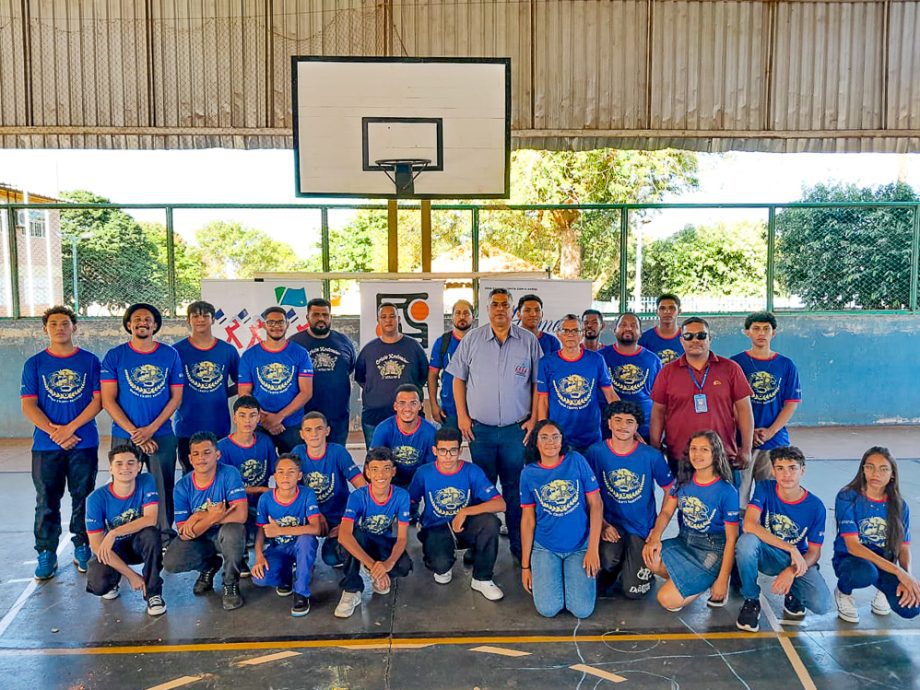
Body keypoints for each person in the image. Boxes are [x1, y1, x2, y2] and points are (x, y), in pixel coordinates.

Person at [447, 287, 542, 562]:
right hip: (481, 431)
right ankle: (480, 546)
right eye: (495, 304)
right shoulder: (472, 340)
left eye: (505, 304)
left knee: (514, 489)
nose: (500, 309)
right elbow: (457, 379)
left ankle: (518, 546)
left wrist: (534, 419)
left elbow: (538, 384)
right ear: (487, 310)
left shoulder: (528, 341)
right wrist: (462, 417)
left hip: (516, 431)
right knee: (483, 489)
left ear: (512, 309)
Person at [21, 305, 102, 579]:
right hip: (46, 446)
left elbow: (98, 401)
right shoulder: (34, 364)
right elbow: (29, 405)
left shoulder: (90, 361)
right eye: (53, 324)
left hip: (83, 441)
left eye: (65, 323)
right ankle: (46, 552)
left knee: (83, 497)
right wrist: (55, 432)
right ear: (46, 329)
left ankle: (82, 544)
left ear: (74, 327)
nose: (60, 328)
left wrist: (71, 428)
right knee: (46, 499)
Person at [101, 303, 184, 543]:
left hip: (161, 433)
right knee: (125, 484)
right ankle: (125, 534)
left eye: (148, 319)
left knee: (162, 485)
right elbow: (108, 399)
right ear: (128, 325)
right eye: (137, 319)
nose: (142, 323)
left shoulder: (170, 354)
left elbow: (175, 397)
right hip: (124, 434)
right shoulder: (115, 356)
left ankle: (166, 535)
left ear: (155, 325)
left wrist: (151, 430)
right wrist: (135, 433)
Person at [735, 446, 831, 632]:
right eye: (780, 468)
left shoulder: (816, 506)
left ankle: (794, 592)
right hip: (768, 552)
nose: (786, 474)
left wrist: (792, 570)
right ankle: (751, 600)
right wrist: (791, 548)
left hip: (793, 561)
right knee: (746, 542)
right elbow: (749, 524)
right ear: (773, 471)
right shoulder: (764, 489)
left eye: (792, 468)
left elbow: (814, 552)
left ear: (802, 470)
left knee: (821, 604)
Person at [585, 401, 673, 600]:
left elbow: (671, 492)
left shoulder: (651, 455)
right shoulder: (595, 452)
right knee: (608, 560)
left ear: (636, 427)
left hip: (641, 529)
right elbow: (586, 495)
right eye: (618, 420)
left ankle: (634, 567)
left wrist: (657, 530)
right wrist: (603, 525)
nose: (623, 426)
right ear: (608, 423)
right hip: (610, 528)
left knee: (633, 591)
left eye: (629, 422)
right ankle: (612, 571)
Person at [643, 431, 739, 613]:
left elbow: (732, 539)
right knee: (651, 557)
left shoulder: (727, 491)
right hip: (686, 540)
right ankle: (693, 581)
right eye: (694, 449)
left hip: (712, 549)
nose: (697, 454)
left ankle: (710, 580)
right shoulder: (683, 481)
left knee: (666, 599)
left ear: (715, 454)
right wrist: (655, 536)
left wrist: (722, 579)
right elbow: (666, 512)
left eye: (704, 449)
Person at [408, 427, 506, 600]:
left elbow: (500, 503)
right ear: (434, 450)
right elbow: (411, 501)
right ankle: (442, 560)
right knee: (441, 570)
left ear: (460, 450)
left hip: (465, 527)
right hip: (436, 527)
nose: (448, 456)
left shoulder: (472, 471)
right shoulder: (423, 473)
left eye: (453, 451)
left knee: (491, 522)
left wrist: (465, 511)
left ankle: (482, 578)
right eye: (443, 451)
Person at [649, 317, 754, 477]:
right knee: (685, 502)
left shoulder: (731, 368)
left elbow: (744, 410)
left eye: (701, 335)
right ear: (682, 341)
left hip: (722, 455)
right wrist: (655, 447)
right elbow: (658, 412)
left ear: (710, 338)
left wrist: (746, 449)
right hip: (681, 457)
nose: (695, 340)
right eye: (689, 336)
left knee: (724, 501)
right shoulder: (667, 372)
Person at [520, 420, 603, 619]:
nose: (551, 442)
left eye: (555, 436)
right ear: (536, 443)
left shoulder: (576, 460)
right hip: (546, 547)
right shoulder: (529, 473)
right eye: (544, 437)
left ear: (562, 440)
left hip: (580, 546)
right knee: (547, 609)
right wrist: (525, 566)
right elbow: (528, 520)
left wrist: (592, 549)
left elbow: (596, 505)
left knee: (582, 610)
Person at [833, 447, 920, 622]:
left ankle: (883, 590)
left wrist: (907, 575)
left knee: (911, 607)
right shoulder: (847, 497)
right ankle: (843, 592)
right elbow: (853, 546)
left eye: (883, 469)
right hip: (852, 559)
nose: (876, 473)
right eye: (870, 467)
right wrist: (898, 572)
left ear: (892, 474)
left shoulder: (900, 505)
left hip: (885, 561)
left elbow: (903, 547)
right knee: (865, 573)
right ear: (863, 469)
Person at [163, 431, 248, 611]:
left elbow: (240, 515)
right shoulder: (182, 487)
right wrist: (211, 517)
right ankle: (209, 565)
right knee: (171, 561)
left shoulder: (229, 474)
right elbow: (184, 532)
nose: (201, 458)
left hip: (224, 535)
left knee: (233, 530)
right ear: (190, 459)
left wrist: (198, 517)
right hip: (201, 538)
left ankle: (230, 583)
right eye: (196, 454)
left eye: (207, 452)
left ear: (217, 455)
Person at [731, 312, 802, 509]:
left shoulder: (786, 365)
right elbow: (730, 403)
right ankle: (739, 538)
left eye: (766, 329)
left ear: (774, 333)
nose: (761, 333)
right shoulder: (735, 364)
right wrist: (747, 431)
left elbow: (791, 403)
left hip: (774, 442)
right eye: (756, 329)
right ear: (747, 332)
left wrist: (770, 431)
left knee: (771, 497)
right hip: (741, 442)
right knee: (739, 499)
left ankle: (766, 537)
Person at [84, 445, 165, 616]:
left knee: (151, 534)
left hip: (139, 545)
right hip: (114, 550)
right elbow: (97, 546)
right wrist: (130, 575)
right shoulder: (96, 499)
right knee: (99, 584)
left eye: (130, 463)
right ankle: (113, 579)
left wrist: (114, 532)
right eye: (119, 464)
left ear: (139, 466)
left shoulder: (146, 481)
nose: (125, 468)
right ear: (110, 468)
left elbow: (151, 518)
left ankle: (153, 593)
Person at [335, 448, 413, 618]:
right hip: (362, 540)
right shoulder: (357, 496)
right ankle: (351, 589)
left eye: (386, 468)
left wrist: (388, 564)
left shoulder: (401, 496)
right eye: (375, 469)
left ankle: (376, 574)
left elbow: (401, 538)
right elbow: (343, 535)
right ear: (367, 472)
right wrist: (373, 566)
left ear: (393, 471)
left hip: (382, 541)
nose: (381, 474)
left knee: (404, 565)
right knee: (354, 537)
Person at [291, 412, 367, 568]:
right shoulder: (297, 453)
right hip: (310, 518)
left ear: (327, 431)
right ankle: (301, 559)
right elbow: (289, 494)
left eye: (319, 428)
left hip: (338, 516)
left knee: (332, 558)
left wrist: (349, 523)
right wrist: (314, 514)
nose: (314, 434)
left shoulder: (337, 452)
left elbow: (363, 489)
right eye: (309, 430)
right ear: (302, 434)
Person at [251, 454, 324, 617]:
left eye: (291, 472)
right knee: (260, 578)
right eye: (281, 472)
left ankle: (301, 593)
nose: (285, 476)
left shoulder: (307, 494)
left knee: (306, 540)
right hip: (278, 548)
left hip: (300, 545)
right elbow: (261, 531)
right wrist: (258, 556)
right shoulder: (266, 499)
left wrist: (280, 531)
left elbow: (316, 529)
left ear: (299, 476)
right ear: (274, 475)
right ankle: (286, 577)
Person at [173, 301, 239, 475]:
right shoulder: (176, 351)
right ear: (188, 320)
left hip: (218, 423)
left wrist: (223, 393)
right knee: (190, 473)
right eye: (195, 316)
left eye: (205, 316)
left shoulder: (227, 350)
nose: (200, 320)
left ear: (213, 319)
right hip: (186, 424)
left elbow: (242, 382)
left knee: (219, 472)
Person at [536, 314, 616, 454]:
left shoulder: (596, 360)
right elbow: (543, 400)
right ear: (558, 334)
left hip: (590, 437)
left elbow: (609, 394)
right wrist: (543, 432)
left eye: (575, 331)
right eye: (566, 330)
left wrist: (625, 418)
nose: (570, 335)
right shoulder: (546, 362)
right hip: (559, 438)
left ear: (582, 334)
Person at [238, 307, 314, 454]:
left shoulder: (300, 353)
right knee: (258, 471)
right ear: (264, 325)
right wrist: (264, 419)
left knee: (293, 472)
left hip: (292, 425)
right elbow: (244, 393)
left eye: (280, 322)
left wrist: (279, 417)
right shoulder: (249, 355)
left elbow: (306, 392)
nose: (276, 326)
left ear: (287, 324)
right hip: (259, 424)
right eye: (271, 322)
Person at [355, 303, 429, 448]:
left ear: (399, 319)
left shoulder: (413, 347)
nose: (388, 320)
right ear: (378, 321)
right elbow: (361, 378)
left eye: (392, 316)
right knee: (376, 462)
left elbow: (422, 376)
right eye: (384, 317)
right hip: (374, 416)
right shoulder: (369, 350)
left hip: (409, 417)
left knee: (409, 459)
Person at [217, 395, 278, 568]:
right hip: (236, 505)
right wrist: (259, 489)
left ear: (259, 418)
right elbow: (224, 490)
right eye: (242, 415)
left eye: (252, 415)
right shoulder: (222, 448)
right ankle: (239, 555)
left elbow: (276, 471)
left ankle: (279, 552)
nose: (247, 421)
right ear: (234, 417)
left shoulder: (265, 442)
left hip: (261, 504)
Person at [288, 298, 357, 446]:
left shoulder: (344, 342)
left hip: (337, 418)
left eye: (325, 315)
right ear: (307, 317)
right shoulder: (294, 344)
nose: (321, 319)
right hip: (304, 419)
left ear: (330, 317)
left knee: (336, 461)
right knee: (305, 463)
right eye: (316, 314)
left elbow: (350, 368)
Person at [599, 312, 662, 441]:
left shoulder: (653, 360)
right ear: (614, 330)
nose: (628, 328)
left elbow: (660, 401)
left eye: (633, 326)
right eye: (623, 325)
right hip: (607, 431)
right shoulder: (600, 358)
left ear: (640, 332)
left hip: (644, 432)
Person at [371, 384, 438, 496]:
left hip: (417, 480)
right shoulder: (383, 429)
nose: (407, 409)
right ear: (395, 406)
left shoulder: (430, 432)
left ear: (420, 405)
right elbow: (373, 465)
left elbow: (433, 468)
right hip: (391, 480)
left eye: (413, 403)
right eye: (402, 403)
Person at [428, 299, 474, 431]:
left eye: (466, 313)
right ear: (452, 316)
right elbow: (432, 375)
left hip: (477, 411)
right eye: (458, 313)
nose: (462, 316)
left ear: (472, 316)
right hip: (449, 410)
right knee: (449, 450)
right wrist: (433, 404)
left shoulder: (481, 341)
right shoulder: (443, 342)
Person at [638, 293, 683, 364]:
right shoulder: (644, 339)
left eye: (672, 308)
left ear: (679, 311)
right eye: (662, 308)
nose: (667, 311)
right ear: (657, 312)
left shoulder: (688, 337)